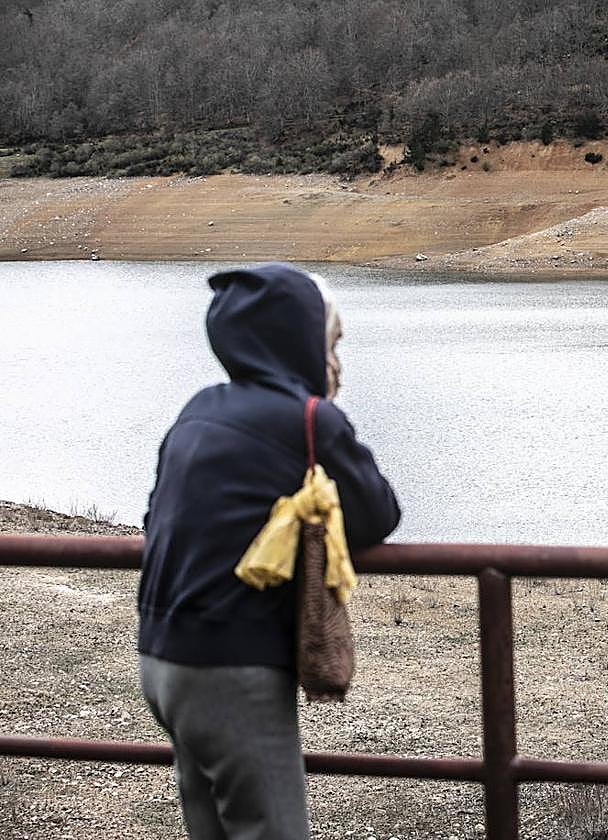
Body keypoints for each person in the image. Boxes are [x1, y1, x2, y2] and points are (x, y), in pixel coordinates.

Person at [137, 263, 401, 839]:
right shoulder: (308, 419)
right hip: (230, 668)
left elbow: (155, 516)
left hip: (161, 657)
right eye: (329, 345)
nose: (335, 363)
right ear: (298, 342)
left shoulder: (198, 409)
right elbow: (379, 514)